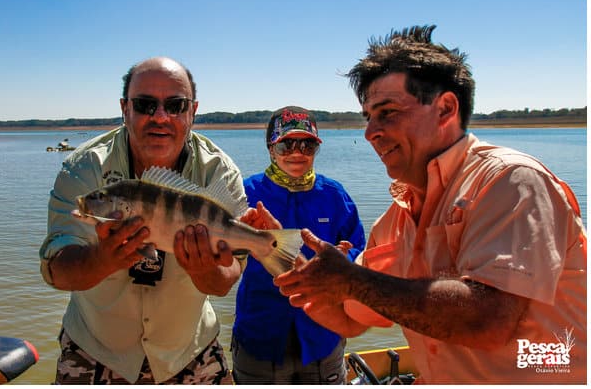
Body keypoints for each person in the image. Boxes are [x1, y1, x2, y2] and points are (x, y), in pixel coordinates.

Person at [274, 25, 587, 384]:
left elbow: (488, 320)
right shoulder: (397, 219)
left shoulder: (510, 181)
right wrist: (272, 250)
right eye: (368, 117)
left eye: (387, 112)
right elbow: (349, 316)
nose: (370, 131)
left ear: (445, 109)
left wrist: (352, 281)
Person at [39, 56, 247, 384]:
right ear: (125, 109)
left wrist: (205, 270)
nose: (160, 117)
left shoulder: (218, 173)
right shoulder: (85, 169)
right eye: (145, 104)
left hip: (188, 350)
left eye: (176, 105)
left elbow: (223, 282)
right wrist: (101, 259)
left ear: (193, 111)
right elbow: (54, 269)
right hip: (95, 349)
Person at [231, 106, 366, 384]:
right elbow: (225, 256)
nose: (297, 152)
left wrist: (346, 260)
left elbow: (363, 254)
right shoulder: (245, 192)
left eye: (307, 145)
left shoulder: (335, 195)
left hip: (323, 336)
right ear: (271, 148)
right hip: (260, 334)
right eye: (287, 144)